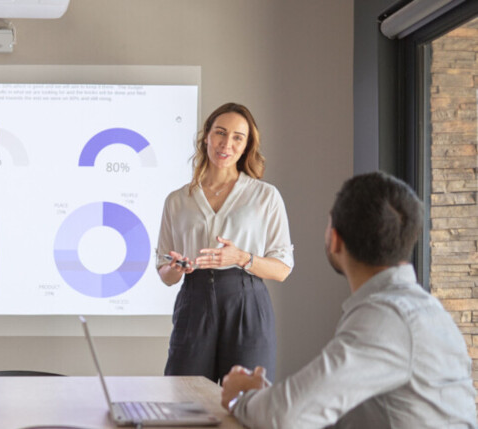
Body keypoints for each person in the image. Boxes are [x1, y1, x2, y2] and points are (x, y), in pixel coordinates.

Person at [220, 171, 477, 428]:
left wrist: (241, 398)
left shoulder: (386, 318)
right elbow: (320, 408)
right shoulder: (427, 310)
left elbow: (287, 417)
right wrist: (268, 398)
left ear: (335, 239)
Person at [156, 102, 294, 383]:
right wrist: (177, 268)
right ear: (206, 136)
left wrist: (241, 258)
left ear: (246, 146)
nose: (226, 144)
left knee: (248, 404)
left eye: (237, 137)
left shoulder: (265, 196)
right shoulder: (177, 200)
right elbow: (165, 274)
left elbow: (282, 269)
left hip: (246, 302)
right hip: (194, 300)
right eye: (220, 133)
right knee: (184, 398)